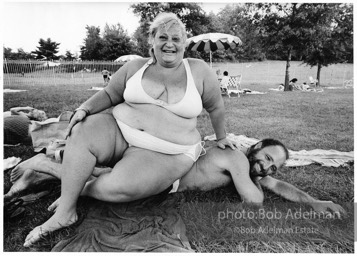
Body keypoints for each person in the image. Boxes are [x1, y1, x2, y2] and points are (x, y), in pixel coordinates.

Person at [23, 12, 236, 247]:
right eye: (163, 37)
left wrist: (222, 137)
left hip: (168, 151)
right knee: (82, 130)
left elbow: (216, 107)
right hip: (121, 132)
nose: (169, 44)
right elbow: (109, 94)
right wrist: (84, 109)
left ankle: (80, 186)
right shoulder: (135, 66)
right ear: (152, 40)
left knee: (118, 189)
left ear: (184, 43)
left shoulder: (199, 70)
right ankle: (65, 212)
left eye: (176, 39)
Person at [8, 136, 345, 222]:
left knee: (97, 178)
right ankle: (46, 166)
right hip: (161, 173)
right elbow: (255, 201)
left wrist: (314, 201)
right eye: (267, 158)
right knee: (106, 189)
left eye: (274, 166)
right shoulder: (237, 158)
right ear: (255, 147)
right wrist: (256, 181)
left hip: (162, 172)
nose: (268, 169)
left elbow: (277, 185)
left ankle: (44, 173)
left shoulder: (248, 165)